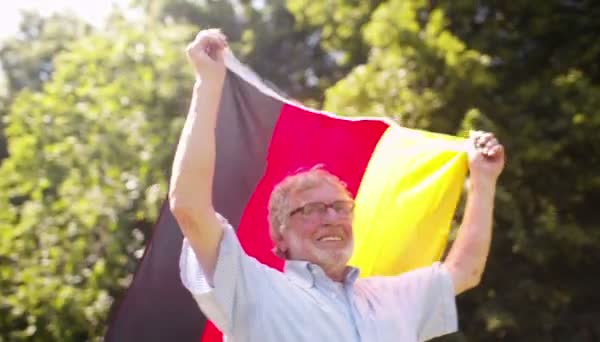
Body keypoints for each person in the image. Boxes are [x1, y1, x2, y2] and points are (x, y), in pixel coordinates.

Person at [169, 29, 506, 342]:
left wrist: (483, 179)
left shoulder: (391, 298)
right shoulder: (253, 289)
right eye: (312, 210)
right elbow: (189, 207)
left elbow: (465, 271)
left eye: (340, 207)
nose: (331, 217)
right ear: (280, 235)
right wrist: (209, 83)